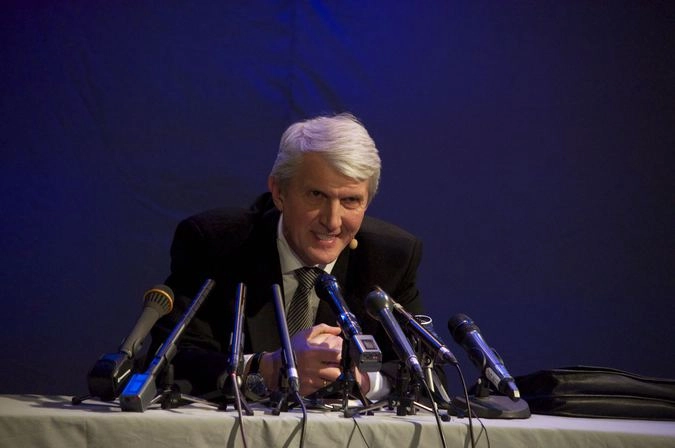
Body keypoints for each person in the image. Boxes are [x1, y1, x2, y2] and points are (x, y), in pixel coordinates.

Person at [150, 113, 430, 403]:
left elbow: (428, 380)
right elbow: (168, 362)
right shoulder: (217, 244)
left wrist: (364, 380)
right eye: (316, 195)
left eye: (350, 200)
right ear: (279, 193)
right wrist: (267, 368)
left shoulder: (390, 258)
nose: (332, 221)